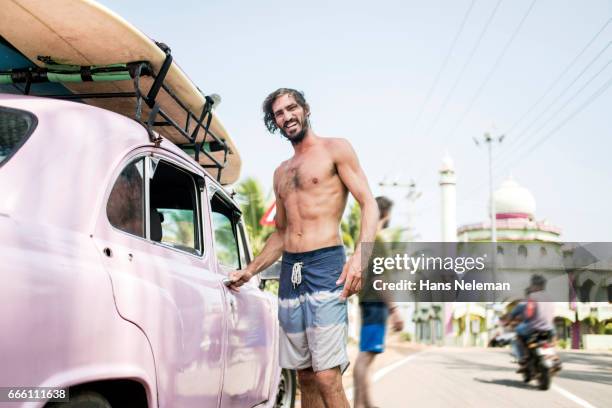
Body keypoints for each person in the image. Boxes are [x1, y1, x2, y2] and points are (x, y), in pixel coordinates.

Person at [228, 88, 379, 408]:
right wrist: (250, 270)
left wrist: (360, 258)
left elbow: (369, 204)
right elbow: (282, 234)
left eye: (291, 108)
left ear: (305, 109)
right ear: (275, 122)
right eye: (279, 113)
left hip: (326, 267)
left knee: (327, 376)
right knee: (305, 375)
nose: (287, 116)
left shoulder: (336, 149)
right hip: (290, 274)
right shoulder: (280, 172)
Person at [353, 196, 404, 408]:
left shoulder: (363, 239)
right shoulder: (378, 241)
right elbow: (380, 279)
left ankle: (365, 403)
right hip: (375, 303)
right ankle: (361, 405)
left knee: (367, 353)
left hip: (367, 302)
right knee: (366, 355)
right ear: (385, 214)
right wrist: (394, 310)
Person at [507, 274, 554, 371]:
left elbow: (526, 313)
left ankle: (522, 357)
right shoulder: (549, 297)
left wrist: (511, 319)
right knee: (549, 341)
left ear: (534, 285)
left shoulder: (532, 297)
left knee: (517, 333)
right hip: (549, 328)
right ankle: (553, 356)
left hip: (533, 327)